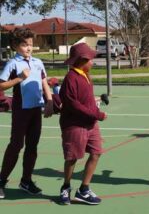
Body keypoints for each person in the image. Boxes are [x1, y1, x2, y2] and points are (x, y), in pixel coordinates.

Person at [0, 28, 53, 199]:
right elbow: (1, 85)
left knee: (32, 147)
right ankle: (1, 180)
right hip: (20, 110)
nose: (28, 48)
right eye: (24, 45)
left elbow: (44, 81)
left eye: (30, 44)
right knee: (16, 146)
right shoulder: (12, 63)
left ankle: (26, 180)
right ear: (15, 45)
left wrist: (50, 101)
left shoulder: (38, 62)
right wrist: (19, 78)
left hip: (36, 110)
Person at [58, 43, 107, 205]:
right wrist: (97, 114)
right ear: (83, 60)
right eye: (91, 59)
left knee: (96, 152)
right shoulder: (71, 78)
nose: (93, 62)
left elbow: (86, 100)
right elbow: (73, 105)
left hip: (90, 124)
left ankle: (84, 190)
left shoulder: (86, 75)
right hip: (74, 125)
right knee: (72, 158)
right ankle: (66, 187)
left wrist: (95, 105)